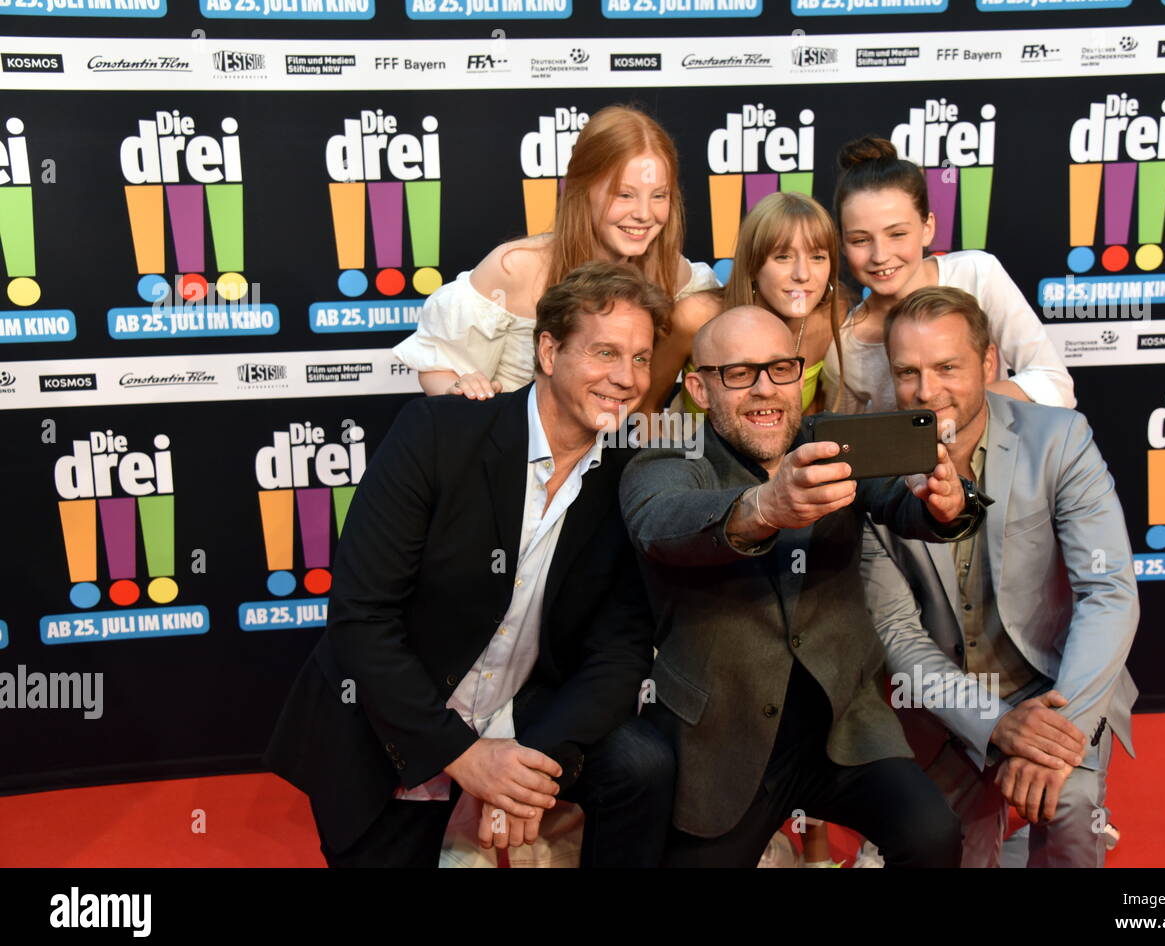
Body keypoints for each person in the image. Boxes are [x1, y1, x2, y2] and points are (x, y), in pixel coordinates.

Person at [265, 262, 676, 867]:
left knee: (643, 765)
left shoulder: (629, 476)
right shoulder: (439, 432)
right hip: (395, 717)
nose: (625, 378)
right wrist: (464, 757)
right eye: (605, 353)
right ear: (548, 349)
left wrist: (526, 769)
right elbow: (361, 618)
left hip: (523, 710)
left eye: (640, 358)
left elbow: (619, 652)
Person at [618, 304, 989, 868]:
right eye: (739, 373)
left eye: (781, 369)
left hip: (846, 727)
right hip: (724, 743)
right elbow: (662, 523)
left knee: (931, 834)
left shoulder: (831, 440)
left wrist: (948, 505)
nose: (765, 390)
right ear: (698, 386)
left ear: (801, 374)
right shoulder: (669, 455)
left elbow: (904, 497)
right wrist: (763, 507)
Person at [861, 285, 1139, 867]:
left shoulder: (1059, 440)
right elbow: (897, 634)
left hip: (1056, 686)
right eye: (907, 371)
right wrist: (995, 725)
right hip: (943, 706)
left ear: (988, 362)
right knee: (944, 842)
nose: (926, 390)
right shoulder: (871, 474)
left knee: (1069, 806)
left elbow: (1107, 591)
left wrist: (1055, 734)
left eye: (947, 367)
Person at [392, 104, 718, 400]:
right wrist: (458, 389)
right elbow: (440, 367)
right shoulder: (515, 268)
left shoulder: (674, 273)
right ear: (580, 188)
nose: (645, 214)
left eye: (658, 196)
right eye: (625, 195)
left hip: (621, 453)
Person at [823, 135, 1075, 415]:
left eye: (897, 234)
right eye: (860, 240)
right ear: (842, 243)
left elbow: (1056, 387)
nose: (880, 255)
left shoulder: (977, 274)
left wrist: (958, 401)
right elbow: (850, 442)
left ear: (927, 227)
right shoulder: (844, 346)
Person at [643, 191, 845, 417]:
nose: (802, 274)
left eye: (817, 257)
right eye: (783, 257)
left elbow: (808, 418)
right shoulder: (694, 318)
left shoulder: (829, 318)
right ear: (752, 264)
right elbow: (646, 410)